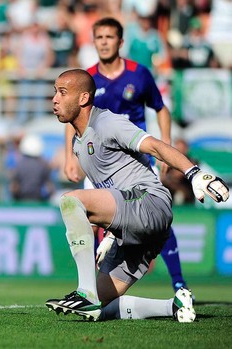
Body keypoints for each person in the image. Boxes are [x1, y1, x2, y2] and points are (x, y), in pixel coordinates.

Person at [46, 69, 229, 322]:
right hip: (137, 226)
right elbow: (113, 186)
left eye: (62, 92)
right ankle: (174, 306)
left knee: (70, 201)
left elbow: (154, 145)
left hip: (149, 202)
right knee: (98, 309)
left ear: (84, 98)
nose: (55, 98)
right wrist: (112, 231)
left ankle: (85, 292)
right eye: (55, 91)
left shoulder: (106, 122)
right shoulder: (78, 144)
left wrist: (194, 173)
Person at [64, 17, 189, 293]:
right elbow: (72, 120)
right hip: (98, 162)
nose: (104, 42)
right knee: (88, 219)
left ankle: (179, 283)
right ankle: (97, 289)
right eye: (99, 37)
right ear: (93, 41)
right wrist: (69, 157)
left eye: (110, 37)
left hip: (135, 162)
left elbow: (161, 108)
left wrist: (165, 145)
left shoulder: (138, 74)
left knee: (159, 222)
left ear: (121, 42)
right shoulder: (87, 78)